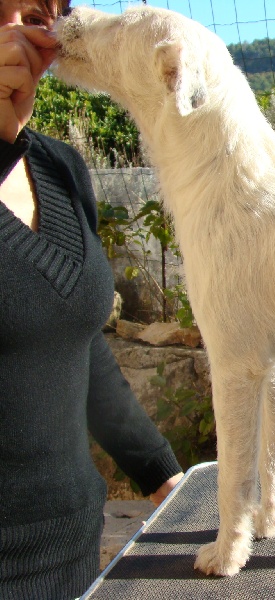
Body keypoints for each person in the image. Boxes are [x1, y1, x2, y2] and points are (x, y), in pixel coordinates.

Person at [0, 1, 184, 597]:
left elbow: (75, 341)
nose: (15, 36)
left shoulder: (60, 167)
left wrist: (161, 474)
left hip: (70, 549)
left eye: (35, 15)